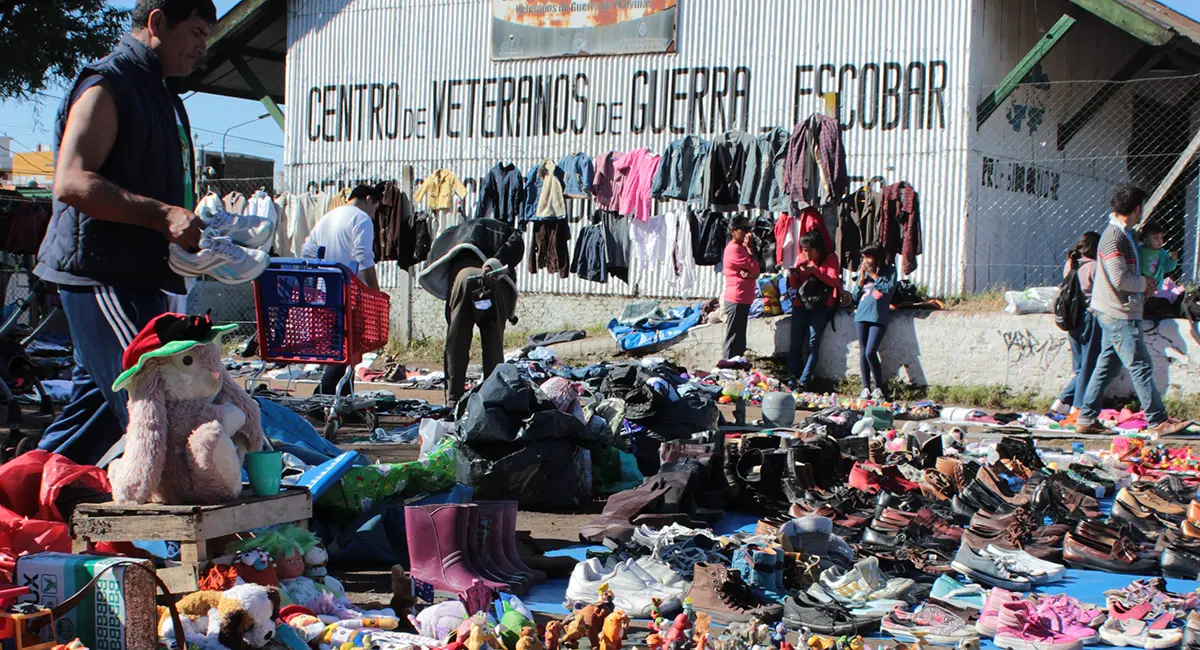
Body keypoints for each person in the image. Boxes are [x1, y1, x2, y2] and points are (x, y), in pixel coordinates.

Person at [35, 0, 216, 466]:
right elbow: (72, 181)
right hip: (102, 276)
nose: (203, 46)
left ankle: (20, 504)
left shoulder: (161, 92)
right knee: (160, 406)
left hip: (139, 276)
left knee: (88, 423)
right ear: (157, 23)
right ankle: (193, 536)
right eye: (196, 31)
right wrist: (163, 215)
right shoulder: (109, 83)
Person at [1076, 185, 1191, 436]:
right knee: (1140, 364)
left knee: (1106, 365)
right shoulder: (1113, 237)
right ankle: (1157, 420)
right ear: (1137, 208)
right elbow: (1119, 278)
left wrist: (1143, 286)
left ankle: (1086, 417)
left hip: (1117, 309)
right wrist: (1144, 284)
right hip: (1119, 312)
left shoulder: (1125, 234)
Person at [301, 183, 382, 396]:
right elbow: (364, 257)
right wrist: (376, 293)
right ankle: (324, 395)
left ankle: (344, 399)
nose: (375, 214)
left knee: (344, 346)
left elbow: (307, 251)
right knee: (347, 348)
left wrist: (321, 274)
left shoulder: (329, 217)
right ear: (368, 199)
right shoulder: (361, 218)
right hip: (349, 292)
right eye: (376, 207)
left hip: (324, 292)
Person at [445, 259, 518, 408]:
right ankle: (492, 402)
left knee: (457, 342)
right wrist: (491, 266)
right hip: (496, 277)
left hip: (464, 275)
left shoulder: (455, 235)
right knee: (493, 345)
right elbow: (514, 249)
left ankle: (453, 400)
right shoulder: (513, 234)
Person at [1050, 232, 1100, 415]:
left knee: (1079, 366)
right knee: (1089, 366)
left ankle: (1063, 402)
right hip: (1090, 317)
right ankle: (1075, 405)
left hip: (1073, 318)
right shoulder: (1095, 267)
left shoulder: (1070, 264)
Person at [787, 230, 841, 389]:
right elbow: (796, 285)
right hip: (801, 304)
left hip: (821, 306)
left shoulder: (830, 258)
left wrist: (814, 271)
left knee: (813, 343)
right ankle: (792, 378)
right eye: (803, 250)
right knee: (795, 343)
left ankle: (804, 381)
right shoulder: (801, 259)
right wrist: (794, 275)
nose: (806, 253)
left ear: (818, 248)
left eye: (810, 250)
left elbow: (833, 281)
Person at [854, 245, 897, 401]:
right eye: (864, 257)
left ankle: (878, 387)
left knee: (870, 352)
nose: (866, 261)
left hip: (878, 316)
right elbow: (855, 296)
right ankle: (865, 388)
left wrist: (873, 275)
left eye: (869, 257)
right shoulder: (864, 275)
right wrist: (861, 278)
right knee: (863, 352)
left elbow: (889, 288)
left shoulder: (889, 271)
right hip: (861, 316)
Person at [721, 216, 760, 361]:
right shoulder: (734, 249)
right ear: (733, 230)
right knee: (733, 338)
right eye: (744, 229)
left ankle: (735, 366)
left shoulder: (742, 248)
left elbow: (755, 271)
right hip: (736, 298)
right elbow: (754, 267)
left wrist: (751, 274)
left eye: (749, 229)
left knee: (740, 339)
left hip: (744, 298)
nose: (747, 233)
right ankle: (725, 367)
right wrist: (750, 251)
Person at [1137, 221, 1178, 290]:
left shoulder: (1162, 253)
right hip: (1141, 285)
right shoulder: (1140, 250)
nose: (1160, 241)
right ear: (1145, 240)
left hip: (1156, 287)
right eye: (1156, 238)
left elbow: (1167, 267)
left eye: (1161, 237)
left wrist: (1173, 259)